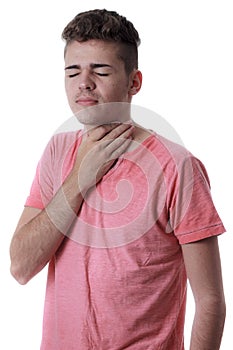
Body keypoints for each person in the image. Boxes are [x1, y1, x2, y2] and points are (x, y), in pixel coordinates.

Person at [10, 9, 226, 350]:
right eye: (72, 71)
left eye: (100, 70)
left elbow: (211, 301)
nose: (84, 83)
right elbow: (21, 266)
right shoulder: (57, 151)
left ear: (134, 82)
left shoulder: (178, 166)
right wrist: (80, 178)